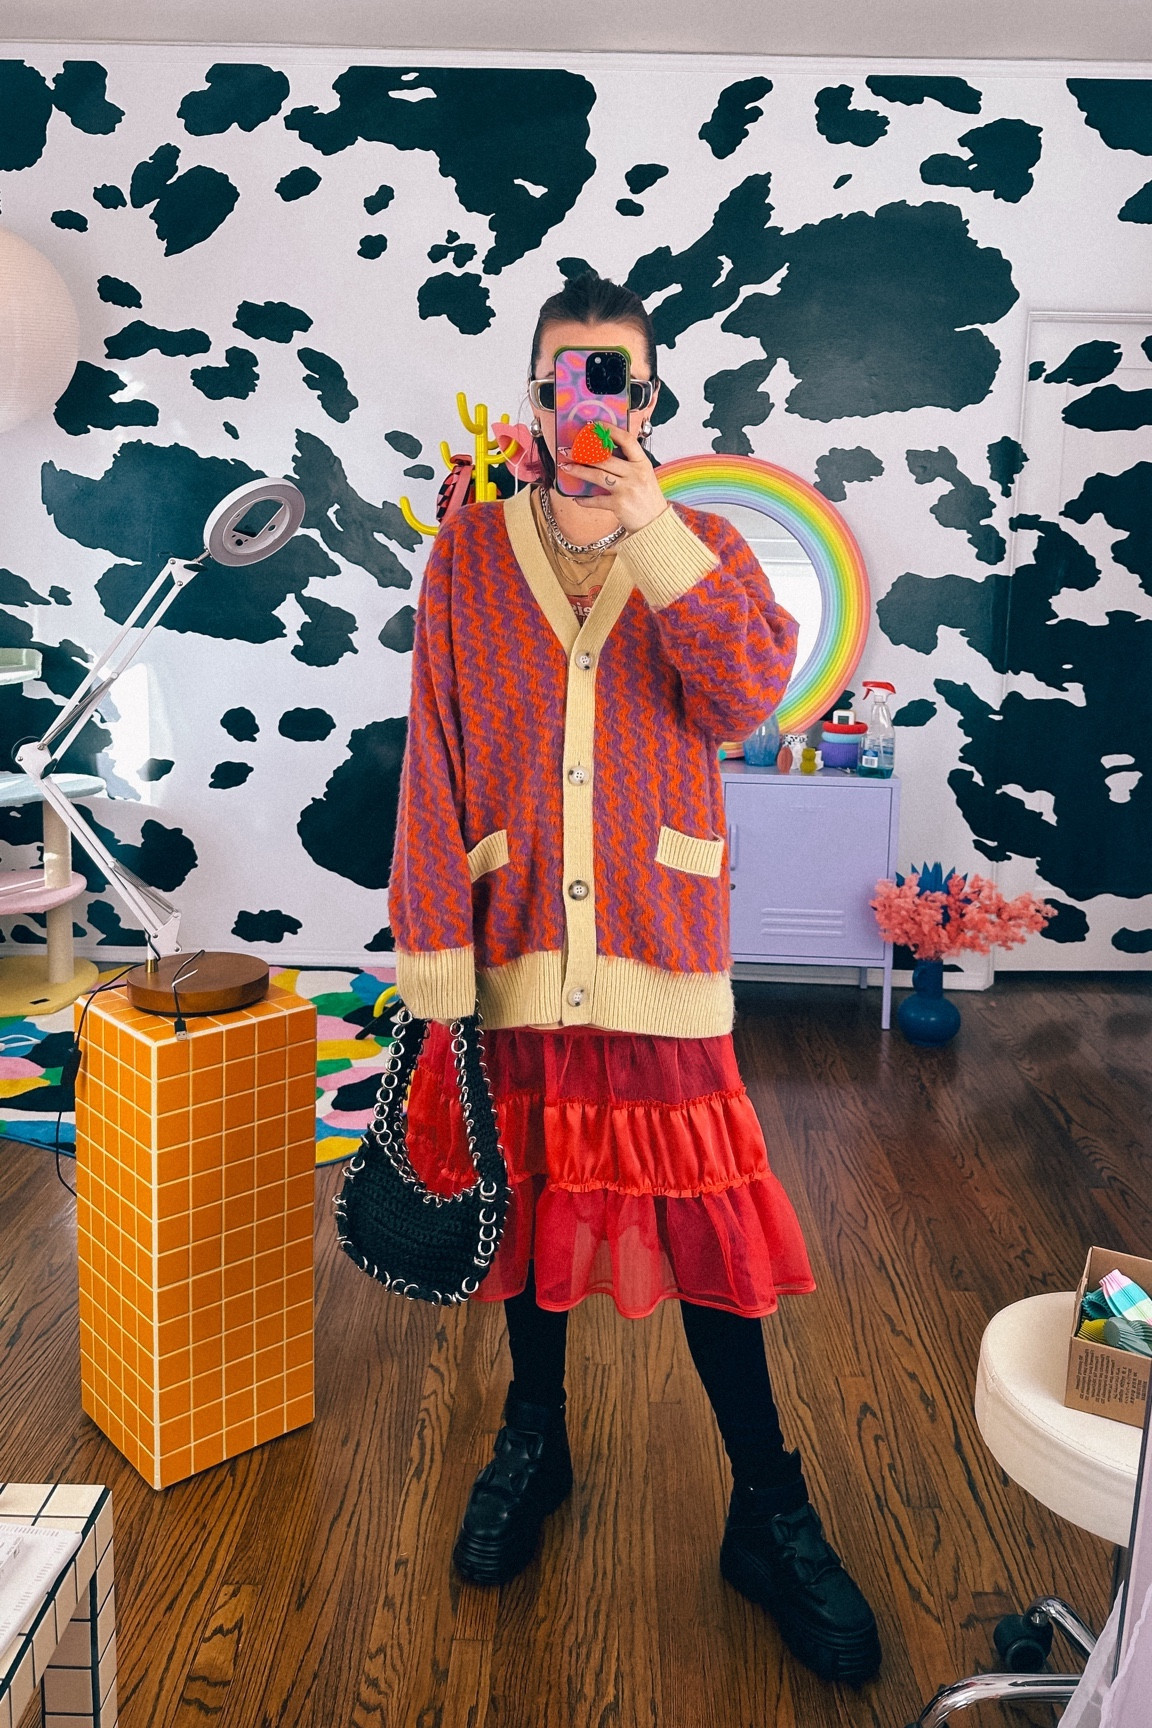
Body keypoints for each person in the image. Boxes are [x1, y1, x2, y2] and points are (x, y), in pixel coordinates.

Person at [388, 272, 881, 1687]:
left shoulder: (703, 541)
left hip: (659, 951)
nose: (583, 398)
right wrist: (432, 953)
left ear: (650, 398)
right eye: (559, 377)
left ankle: (767, 1504)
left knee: (709, 1223)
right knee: (530, 1199)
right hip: (513, 937)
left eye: (610, 376)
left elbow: (749, 699)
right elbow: (434, 758)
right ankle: (530, 1443)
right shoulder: (468, 553)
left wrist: (648, 525)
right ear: (533, 397)